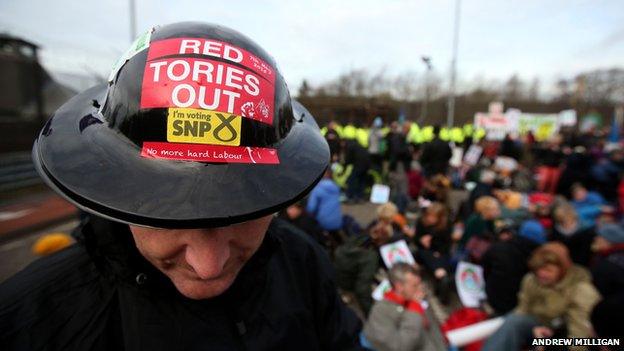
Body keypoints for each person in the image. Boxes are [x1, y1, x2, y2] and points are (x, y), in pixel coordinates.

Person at [0, 23, 362, 350]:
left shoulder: (304, 266)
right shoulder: (28, 323)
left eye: (244, 209)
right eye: (167, 214)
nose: (208, 267)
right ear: (115, 183)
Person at [483, 242, 601, 351]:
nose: (542, 274)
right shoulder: (531, 280)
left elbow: (580, 332)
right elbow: (523, 309)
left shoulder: (581, 290)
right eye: (538, 269)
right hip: (538, 326)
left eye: (548, 270)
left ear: (562, 269)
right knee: (511, 322)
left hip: (565, 334)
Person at [364, 263, 442, 351]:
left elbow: (434, 332)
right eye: (414, 285)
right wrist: (414, 310)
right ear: (399, 287)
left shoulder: (414, 298)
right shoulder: (381, 311)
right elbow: (400, 347)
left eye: (420, 283)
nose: (420, 289)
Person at [481, 220, 546, 315]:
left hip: (496, 300)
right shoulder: (541, 259)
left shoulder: (497, 248)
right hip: (522, 306)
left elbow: (486, 272)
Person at [413, 202, 453, 303]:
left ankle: (442, 278)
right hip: (424, 251)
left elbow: (447, 245)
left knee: (441, 257)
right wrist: (421, 240)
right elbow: (415, 240)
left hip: (439, 252)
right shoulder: (421, 222)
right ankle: (440, 274)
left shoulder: (446, 225)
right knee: (427, 254)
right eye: (429, 216)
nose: (430, 219)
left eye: (433, 217)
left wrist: (435, 244)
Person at [590, 222, 624, 298]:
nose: (595, 239)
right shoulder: (603, 256)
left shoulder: (611, 262)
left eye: (599, 237)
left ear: (609, 241)